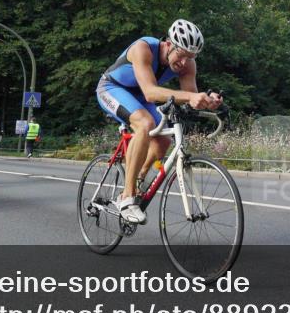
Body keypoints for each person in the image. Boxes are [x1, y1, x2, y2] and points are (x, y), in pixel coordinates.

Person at [95, 19, 223, 224]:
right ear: (169, 44)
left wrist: (207, 100)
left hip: (138, 98)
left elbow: (190, 97)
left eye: (190, 58)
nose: (183, 63)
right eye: (181, 56)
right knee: (144, 124)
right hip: (112, 89)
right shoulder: (143, 49)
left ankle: (139, 179)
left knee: (163, 138)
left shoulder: (188, 64)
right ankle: (126, 197)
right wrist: (190, 97)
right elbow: (150, 92)